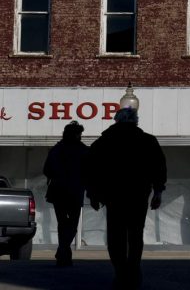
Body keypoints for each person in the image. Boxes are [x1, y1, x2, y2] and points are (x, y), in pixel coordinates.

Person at [86, 107, 166, 290]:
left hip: (113, 196)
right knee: (136, 234)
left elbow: (91, 170)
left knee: (116, 235)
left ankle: (121, 271)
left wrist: (93, 194)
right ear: (136, 121)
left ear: (116, 120)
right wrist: (158, 191)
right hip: (138, 195)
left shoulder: (104, 142)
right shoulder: (148, 141)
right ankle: (133, 270)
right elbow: (159, 168)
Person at [43, 120, 88, 267]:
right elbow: (90, 173)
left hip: (58, 191)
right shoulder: (83, 150)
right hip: (75, 191)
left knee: (62, 223)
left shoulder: (56, 149)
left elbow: (47, 170)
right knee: (72, 224)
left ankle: (63, 252)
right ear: (77, 134)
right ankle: (63, 251)